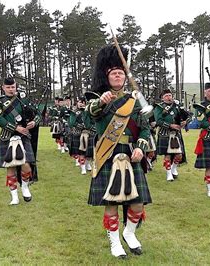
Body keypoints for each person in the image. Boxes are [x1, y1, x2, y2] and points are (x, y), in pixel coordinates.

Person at [87, 45, 152, 258]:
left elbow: (144, 128)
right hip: (108, 153)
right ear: (107, 76)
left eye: (121, 73)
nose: (117, 75)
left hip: (131, 153)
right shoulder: (98, 97)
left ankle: (129, 232)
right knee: (111, 201)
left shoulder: (133, 100)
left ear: (125, 77)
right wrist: (100, 102)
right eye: (113, 73)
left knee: (138, 202)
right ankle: (115, 243)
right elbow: (90, 116)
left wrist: (141, 148)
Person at [0, 77, 41, 205]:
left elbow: (38, 114)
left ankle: (24, 187)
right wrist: (16, 128)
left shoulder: (24, 100)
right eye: (8, 87)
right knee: (10, 166)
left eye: (13, 87)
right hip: (7, 136)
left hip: (23, 136)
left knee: (26, 164)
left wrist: (33, 122)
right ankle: (14, 197)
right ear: (3, 88)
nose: (11, 89)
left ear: (16, 86)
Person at [153, 88, 188, 181]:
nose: (169, 97)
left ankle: (173, 168)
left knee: (179, 155)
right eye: (166, 96)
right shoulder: (159, 107)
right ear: (162, 98)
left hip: (176, 134)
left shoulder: (177, 106)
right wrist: (170, 125)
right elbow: (158, 121)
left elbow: (184, 117)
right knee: (167, 155)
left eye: (170, 95)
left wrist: (184, 122)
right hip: (165, 133)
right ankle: (169, 174)